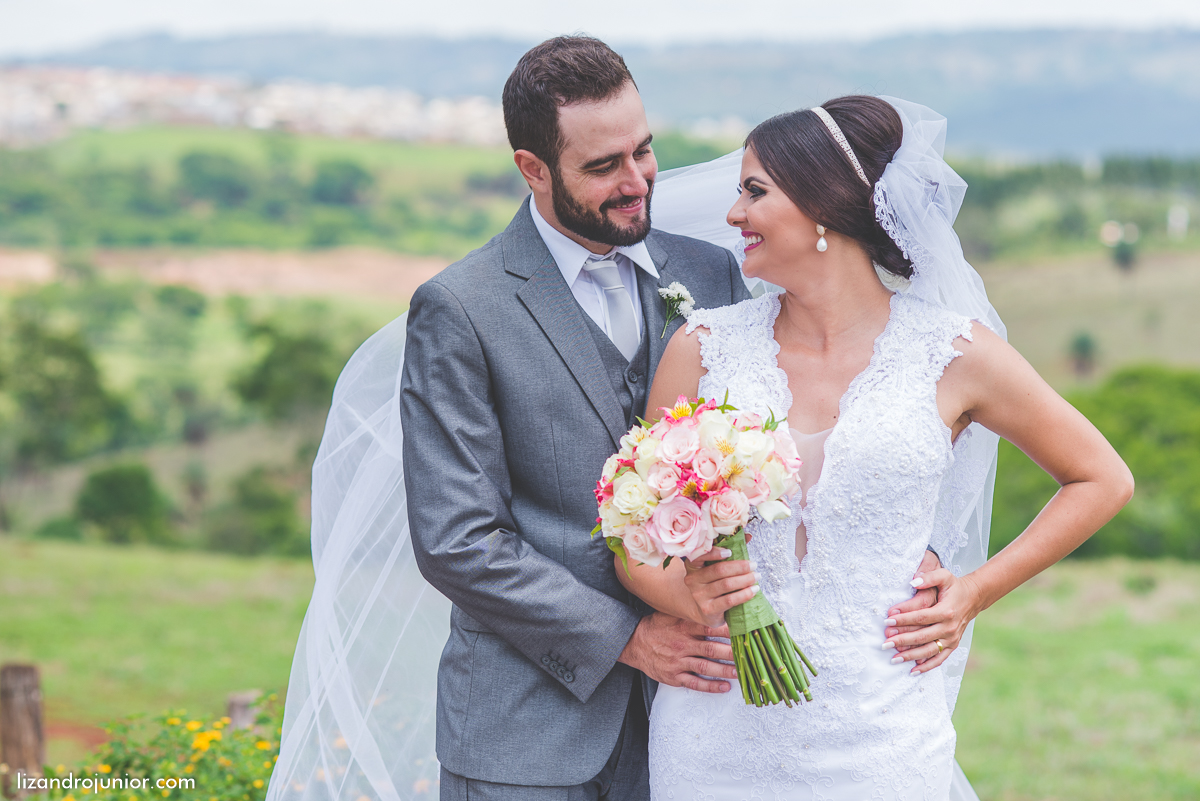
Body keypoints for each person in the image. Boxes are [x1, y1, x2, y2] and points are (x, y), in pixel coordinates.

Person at [268, 38, 942, 801]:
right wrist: (625, 636)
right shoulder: (460, 310)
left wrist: (886, 551)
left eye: (643, 152)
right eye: (602, 167)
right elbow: (458, 540)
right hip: (525, 736)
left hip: (698, 726)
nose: (636, 182)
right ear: (533, 169)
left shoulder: (711, 271)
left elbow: (795, 434)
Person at [619, 95, 1135, 800]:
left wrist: (972, 593)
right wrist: (681, 591)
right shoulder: (702, 348)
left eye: (754, 191)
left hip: (881, 736)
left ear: (823, 203)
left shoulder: (954, 353)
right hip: (714, 734)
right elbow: (634, 543)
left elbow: (1102, 478)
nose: (733, 213)